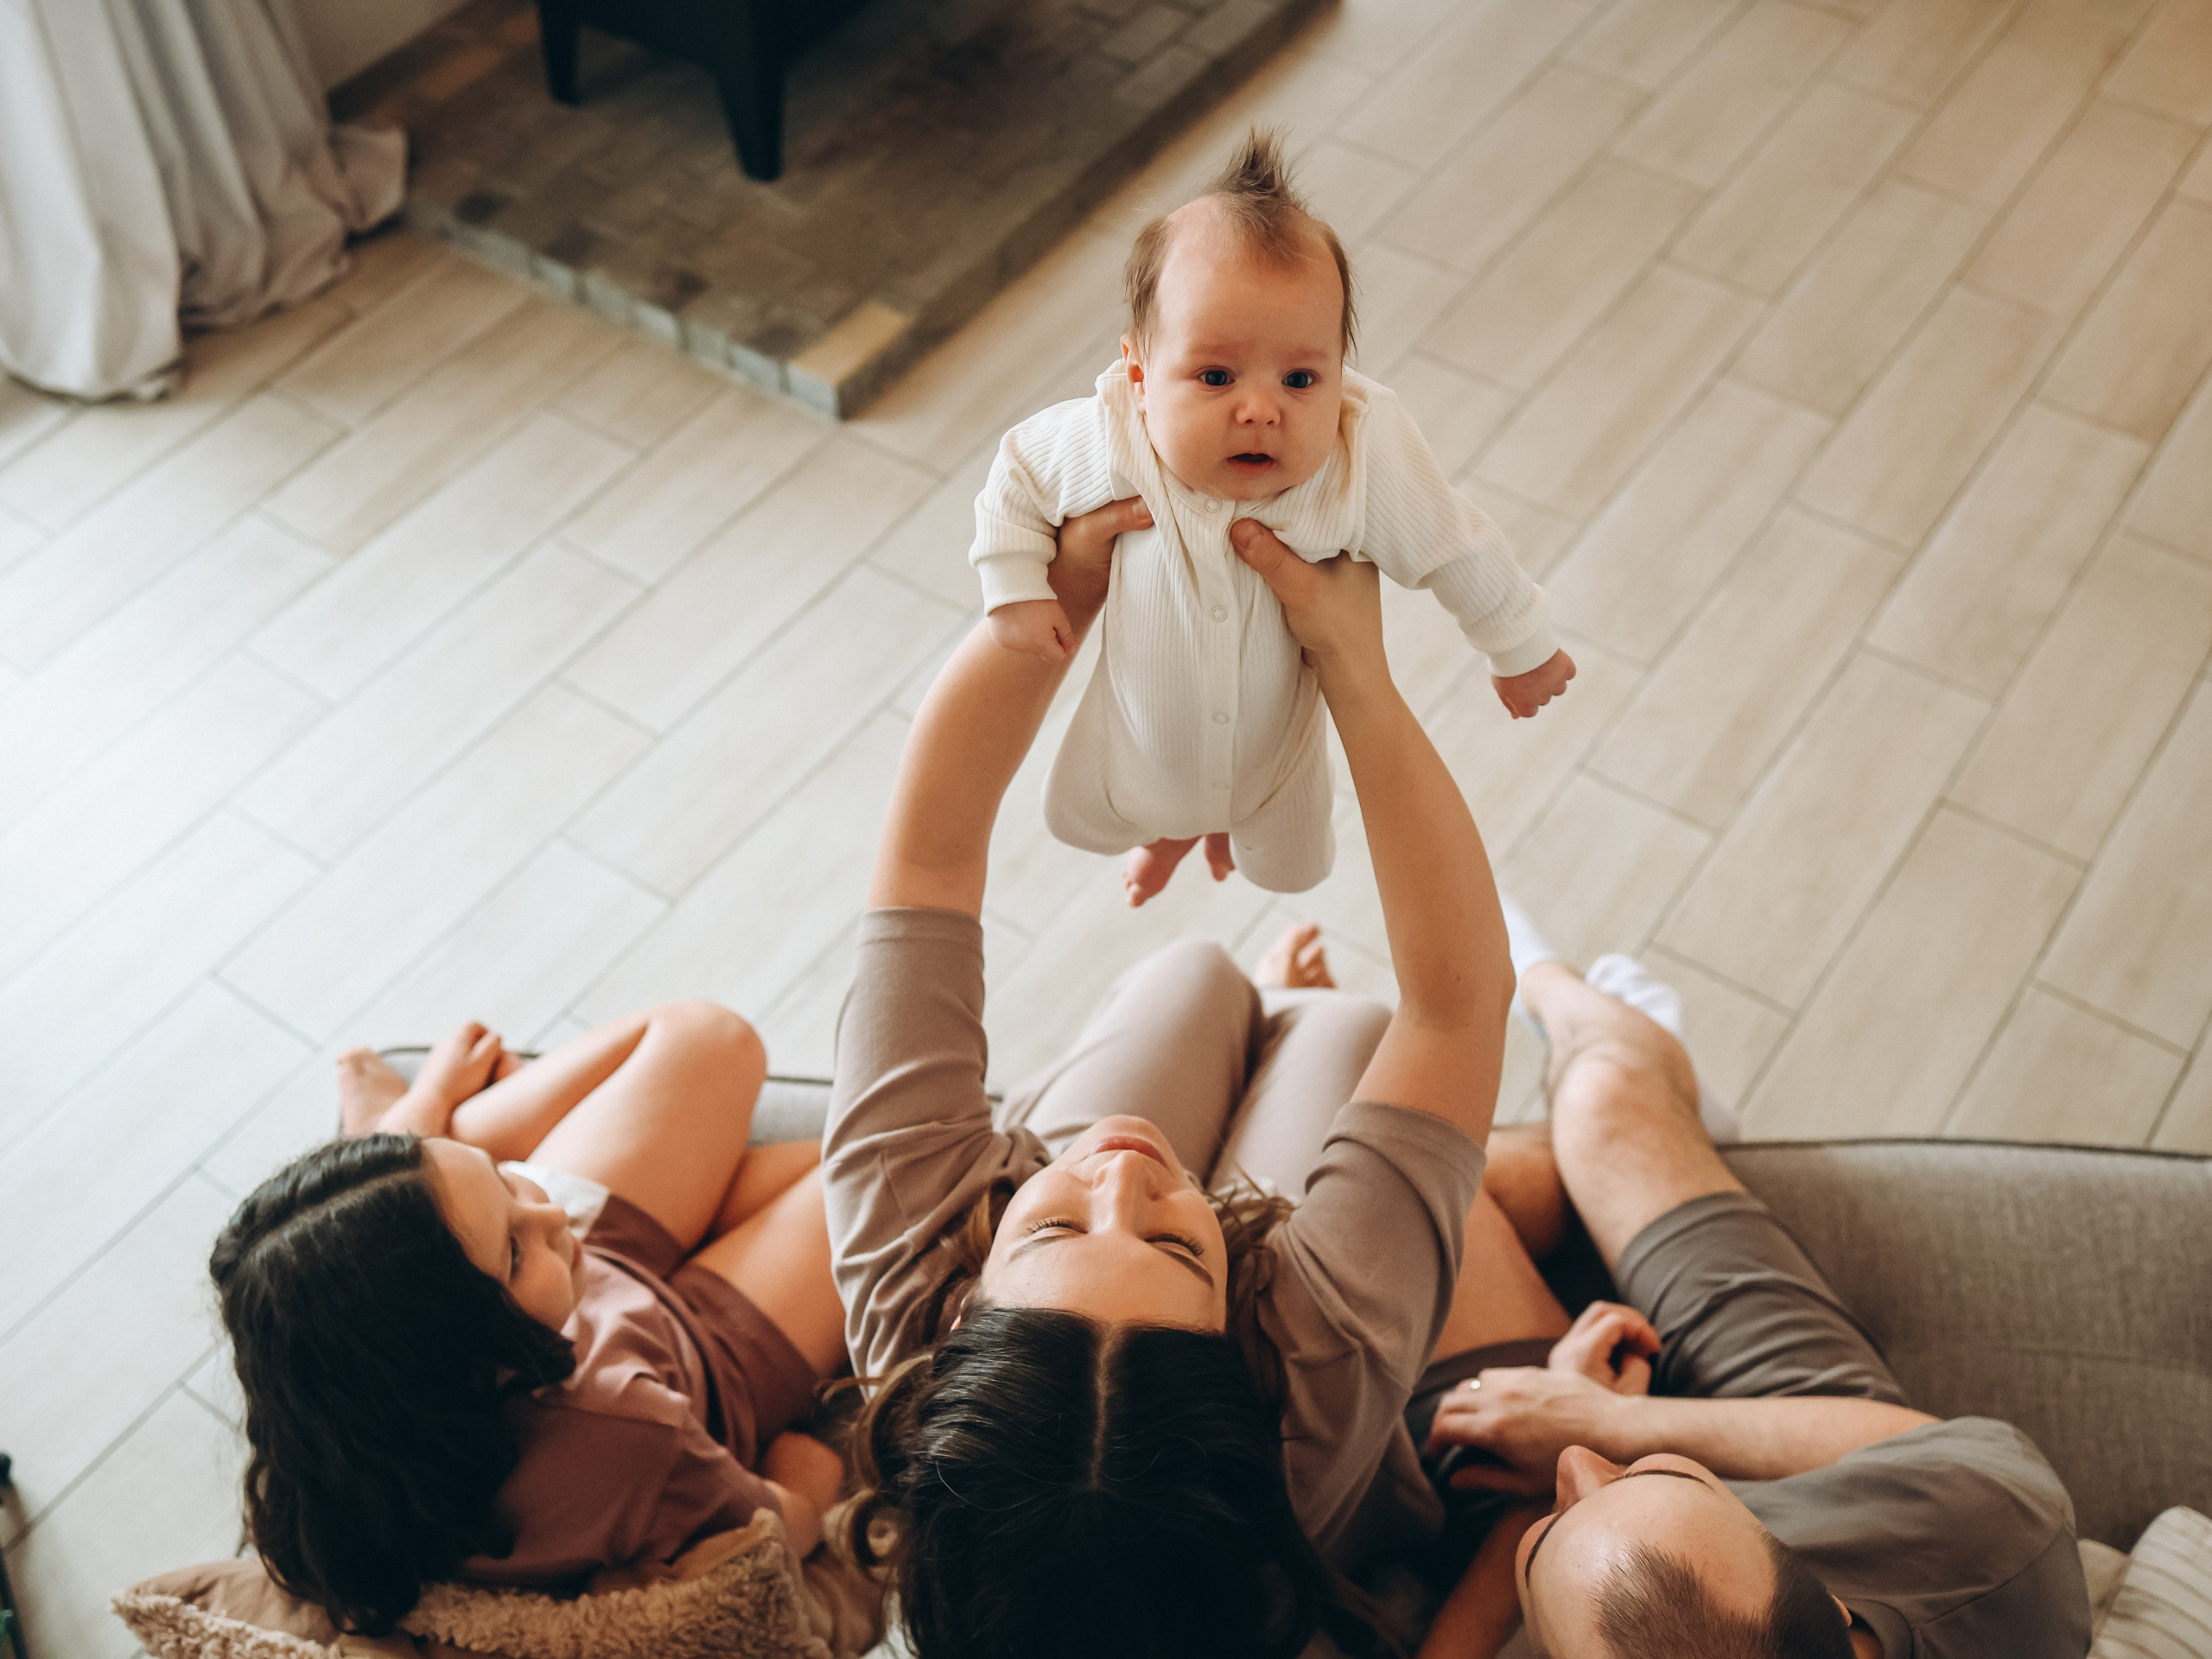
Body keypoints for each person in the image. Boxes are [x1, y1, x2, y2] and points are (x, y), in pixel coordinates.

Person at [826, 492, 1529, 1659]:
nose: (1122, 1169)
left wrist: (1039, 615)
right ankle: (1297, 1016)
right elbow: (1459, 1007)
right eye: (1171, 1245)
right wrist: (1354, 667)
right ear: (1246, 1363)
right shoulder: (1320, 1366)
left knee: (1194, 974)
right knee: (1345, 1025)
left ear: (964, 1312)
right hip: (1270, 1507)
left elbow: (929, 852)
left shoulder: (911, 1264)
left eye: (1052, 1234)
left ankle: (1259, 1013)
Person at [1403, 909, 2093, 1659]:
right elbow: (1936, 1447)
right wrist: (1611, 1425)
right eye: (1643, 1478)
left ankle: (1670, 1100)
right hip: (1828, 1457)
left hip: (1526, 1513)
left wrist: (1536, 1503)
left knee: (1420, 1196)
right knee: (1603, 1097)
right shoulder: (2002, 1549)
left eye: (1552, 1538)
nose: (1576, 1461)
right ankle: (1554, 992)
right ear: (1835, 1609)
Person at [967, 129, 1574, 906]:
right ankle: (1171, 835)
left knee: (1291, 873)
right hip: (1139, 740)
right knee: (1101, 813)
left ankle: (1206, 828)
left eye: (1299, 377)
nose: (1261, 410)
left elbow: (1455, 544)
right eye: (1216, 375)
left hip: (1276, 764)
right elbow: (1016, 473)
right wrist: (1015, 584)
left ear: (1340, 376)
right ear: (1141, 377)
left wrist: (1520, 645)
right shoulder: (1115, 436)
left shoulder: (1359, 458)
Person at [210, 1005, 849, 1637]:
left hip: (588, 1278)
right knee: (863, 1170)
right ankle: (429, 1145)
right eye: (513, 1249)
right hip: (705, 1349)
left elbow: (528, 1233)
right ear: (463, 1359)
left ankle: (415, 1139)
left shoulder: (335, 1393)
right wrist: (809, 1484)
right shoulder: (624, 1434)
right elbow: (770, 1536)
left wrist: (507, 1226)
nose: (550, 1216)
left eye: (505, 1176)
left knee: (712, 1037)